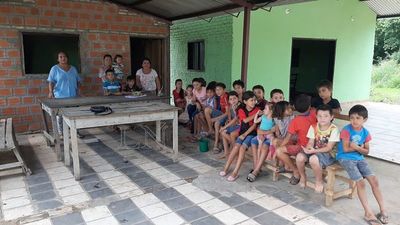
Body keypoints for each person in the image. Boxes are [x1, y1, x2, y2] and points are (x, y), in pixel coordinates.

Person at [337, 105, 388, 225]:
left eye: (358, 118)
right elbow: (345, 149)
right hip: (345, 158)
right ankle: (368, 213)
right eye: (352, 118)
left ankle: (383, 210)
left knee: (374, 181)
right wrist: (358, 148)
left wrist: (356, 148)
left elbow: (367, 151)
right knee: (360, 182)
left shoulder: (365, 133)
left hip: (359, 158)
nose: (354, 120)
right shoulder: (346, 130)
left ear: (364, 119)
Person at [296, 104, 339, 192]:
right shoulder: (313, 126)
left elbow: (329, 148)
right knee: (299, 157)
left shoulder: (334, 129)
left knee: (313, 159)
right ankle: (303, 176)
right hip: (315, 151)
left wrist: (314, 150)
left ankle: (319, 181)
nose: (322, 118)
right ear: (316, 116)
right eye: (320, 116)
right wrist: (308, 148)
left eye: (326, 116)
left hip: (329, 155)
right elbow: (311, 142)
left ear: (331, 117)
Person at [276, 94, 317, 185]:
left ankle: (295, 171)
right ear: (310, 106)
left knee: (279, 151)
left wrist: (280, 147)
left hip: (302, 147)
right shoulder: (315, 113)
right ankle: (291, 168)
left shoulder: (295, 121)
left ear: (294, 107)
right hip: (316, 146)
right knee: (281, 144)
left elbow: (287, 138)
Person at [219, 91, 259, 182]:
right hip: (242, 133)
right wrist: (256, 115)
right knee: (236, 146)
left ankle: (235, 172)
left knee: (241, 148)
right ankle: (226, 168)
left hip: (251, 134)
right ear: (245, 101)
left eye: (254, 100)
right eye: (251, 100)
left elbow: (254, 126)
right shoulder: (241, 109)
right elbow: (245, 120)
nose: (253, 102)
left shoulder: (256, 109)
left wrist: (245, 134)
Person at [47, 51, 81, 137]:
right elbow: (51, 81)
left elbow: (78, 80)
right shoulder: (54, 68)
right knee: (60, 116)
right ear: (58, 59)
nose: (63, 58)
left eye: (65, 56)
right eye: (60, 57)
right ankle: (61, 133)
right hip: (60, 96)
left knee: (74, 114)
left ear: (67, 58)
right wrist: (51, 92)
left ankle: (75, 131)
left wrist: (78, 90)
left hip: (73, 95)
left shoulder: (73, 68)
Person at [246, 104, 275, 182]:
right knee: (254, 141)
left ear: (271, 111)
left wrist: (265, 132)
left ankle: (256, 170)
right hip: (261, 134)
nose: (264, 110)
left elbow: (273, 130)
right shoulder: (263, 117)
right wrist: (257, 114)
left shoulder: (274, 120)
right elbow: (256, 122)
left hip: (268, 135)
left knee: (265, 144)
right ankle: (256, 167)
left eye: (265, 108)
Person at [207, 82, 229, 152]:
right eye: (216, 90)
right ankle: (211, 130)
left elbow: (227, 113)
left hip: (227, 115)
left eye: (219, 89)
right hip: (222, 114)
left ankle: (216, 144)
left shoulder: (226, 97)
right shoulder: (220, 97)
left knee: (216, 123)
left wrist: (215, 119)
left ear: (224, 90)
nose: (218, 91)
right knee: (207, 110)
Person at [219, 91, 240, 159]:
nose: (233, 100)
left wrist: (226, 126)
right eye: (230, 99)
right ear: (228, 100)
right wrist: (228, 123)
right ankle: (226, 153)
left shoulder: (240, 106)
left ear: (238, 98)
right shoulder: (231, 107)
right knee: (223, 132)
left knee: (224, 131)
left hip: (240, 126)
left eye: (234, 98)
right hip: (235, 125)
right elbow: (231, 119)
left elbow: (236, 119)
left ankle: (236, 150)